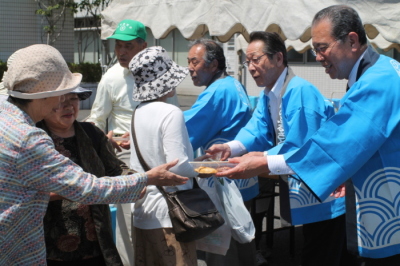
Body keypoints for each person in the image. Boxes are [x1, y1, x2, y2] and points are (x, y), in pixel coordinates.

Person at [218, 5, 400, 265]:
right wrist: (237, 148)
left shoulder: (375, 81)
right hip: (337, 185)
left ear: (352, 40)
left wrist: (263, 161)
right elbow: (259, 129)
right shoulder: (372, 74)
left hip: (369, 199)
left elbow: (334, 146)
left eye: (322, 47)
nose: (317, 57)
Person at [0, 44, 188, 265]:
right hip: (21, 249)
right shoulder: (29, 138)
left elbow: (112, 169)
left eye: (73, 97)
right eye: (62, 94)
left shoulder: (6, 118)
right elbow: (87, 188)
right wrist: (147, 178)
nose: (64, 102)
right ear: (45, 94)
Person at [207, 31, 347, 266]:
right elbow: (257, 129)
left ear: (279, 58)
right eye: (247, 61)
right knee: (316, 248)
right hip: (305, 185)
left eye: (256, 59)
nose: (250, 67)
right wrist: (230, 148)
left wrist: (260, 158)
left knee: (322, 251)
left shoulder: (299, 90)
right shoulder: (270, 93)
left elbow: (302, 146)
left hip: (324, 188)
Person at [86, 19, 178, 264]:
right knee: (128, 222)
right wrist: (105, 140)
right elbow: (96, 118)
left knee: (164, 218)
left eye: (127, 46)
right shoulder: (111, 77)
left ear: (143, 46)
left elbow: (173, 114)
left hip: (160, 156)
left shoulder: (161, 73)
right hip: (126, 160)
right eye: (118, 45)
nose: (121, 52)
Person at [37, 87, 129, 265]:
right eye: (61, 100)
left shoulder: (91, 133)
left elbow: (116, 170)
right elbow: (22, 190)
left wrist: (139, 180)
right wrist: (76, 190)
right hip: (47, 245)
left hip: (95, 242)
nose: (69, 106)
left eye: (74, 99)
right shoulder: (33, 139)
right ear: (45, 104)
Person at [184, 39, 256, 266]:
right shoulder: (232, 84)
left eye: (194, 62)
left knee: (223, 247)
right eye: (188, 62)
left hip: (225, 179)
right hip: (242, 175)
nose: (189, 68)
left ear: (214, 65)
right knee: (241, 235)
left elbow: (188, 128)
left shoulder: (217, 91)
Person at [129, 46, 197, 265]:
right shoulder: (171, 112)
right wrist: (207, 169)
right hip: (171, 215)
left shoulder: (137, 112)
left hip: (142, 211)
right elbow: (178, 166)